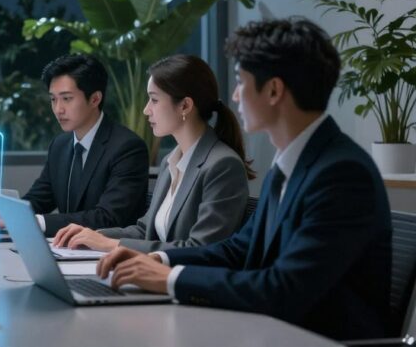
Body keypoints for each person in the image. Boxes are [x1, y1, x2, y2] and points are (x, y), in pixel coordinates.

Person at [97, 18, 391, 341]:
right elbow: (238, 249)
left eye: (241, 82)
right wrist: (158, 258)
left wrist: (170, 279)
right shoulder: (289, 165)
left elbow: (283, 289)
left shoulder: (342, 174)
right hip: (273, 331)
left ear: (274, 90)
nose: (235, 96)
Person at [53, 54, 252, 252]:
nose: (146, 110)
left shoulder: (222, 165)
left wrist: (112, 244)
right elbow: (144, 231)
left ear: (185, 106)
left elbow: (201, 249)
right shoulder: (170, 162)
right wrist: (92, 235)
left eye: (154, 100)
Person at [17, 54, 149, 236]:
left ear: (95, 99)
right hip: (69, 251)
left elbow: (108, 217)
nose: (58, 109)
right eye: (53, 99)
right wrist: (9, 215)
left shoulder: (127, 148)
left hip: (111, 254)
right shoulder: (60, 145)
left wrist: (38, 221)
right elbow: (40, 198)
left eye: (67, 99)